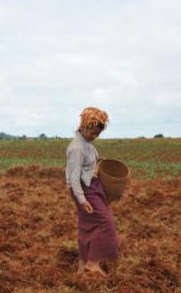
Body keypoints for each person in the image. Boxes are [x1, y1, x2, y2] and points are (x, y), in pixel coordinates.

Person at [65, 107, 119, 277]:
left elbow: (89, 165)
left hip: (93, 188)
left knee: (87, 227)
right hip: (85, 191)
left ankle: (81, 267)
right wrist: (82, 200)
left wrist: (98, 164)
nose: (94, 137)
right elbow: (73, 179)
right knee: (106, 223)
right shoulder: (76, 148)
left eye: (97, 134)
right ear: (85, 125)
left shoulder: (87, 144)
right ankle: (92, 264)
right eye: (93, 133)